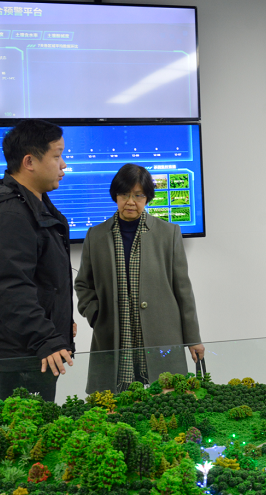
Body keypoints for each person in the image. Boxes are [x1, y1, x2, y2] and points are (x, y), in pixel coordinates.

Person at [75, 163, 204, 393]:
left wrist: (193, 338)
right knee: (114, 404)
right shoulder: (96, 235)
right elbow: (83, 283)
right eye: (124, 194)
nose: (130, 202)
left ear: (148, 198)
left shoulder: (168, 233)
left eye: (138, 195)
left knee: (166, 401)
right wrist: (96, 315)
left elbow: (183, 290)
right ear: (115, 195)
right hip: (114, 335)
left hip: (162, 335)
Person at [0, 119, 75, 402]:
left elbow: (42, 280)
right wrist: (46, 337)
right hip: (20, 356)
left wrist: (59, 319)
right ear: (29, 162)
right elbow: (12, 288)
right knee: (25, 430)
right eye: (57, 156)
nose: (63, 165)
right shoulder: (10, 216)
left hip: (34, 348)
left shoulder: (34, 205)